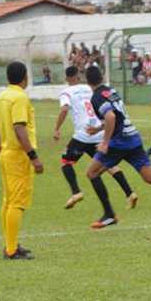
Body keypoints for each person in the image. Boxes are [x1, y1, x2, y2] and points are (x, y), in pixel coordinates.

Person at [83, 65, 151, 228]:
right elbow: (117, 116)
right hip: (133, 138)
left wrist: (105, 142)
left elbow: (111, 116)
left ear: (87, 81)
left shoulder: (97, 97)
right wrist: (98, 129)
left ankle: (109, 214)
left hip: (119, 142)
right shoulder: (110, 91)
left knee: (92, 173)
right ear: (102, 76)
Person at [53, 66, 138, 228]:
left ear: (67, 79)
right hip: (99, 132)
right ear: (79, 76)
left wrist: (57, 128)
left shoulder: (66, 92)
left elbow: (64, 109)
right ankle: (129, 192)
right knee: (109, 165)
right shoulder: (88, 88)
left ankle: (76, 192)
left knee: (66, 162)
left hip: (83, 134)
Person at [0, 61, 44, 259]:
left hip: (5, 153)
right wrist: (33, 157)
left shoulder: (1, 97)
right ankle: (11, 250)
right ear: (24, 78)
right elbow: (19, 127)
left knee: (8, 201)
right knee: (17, 203)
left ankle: (10, 244)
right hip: (18, 155)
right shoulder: (20, 97)